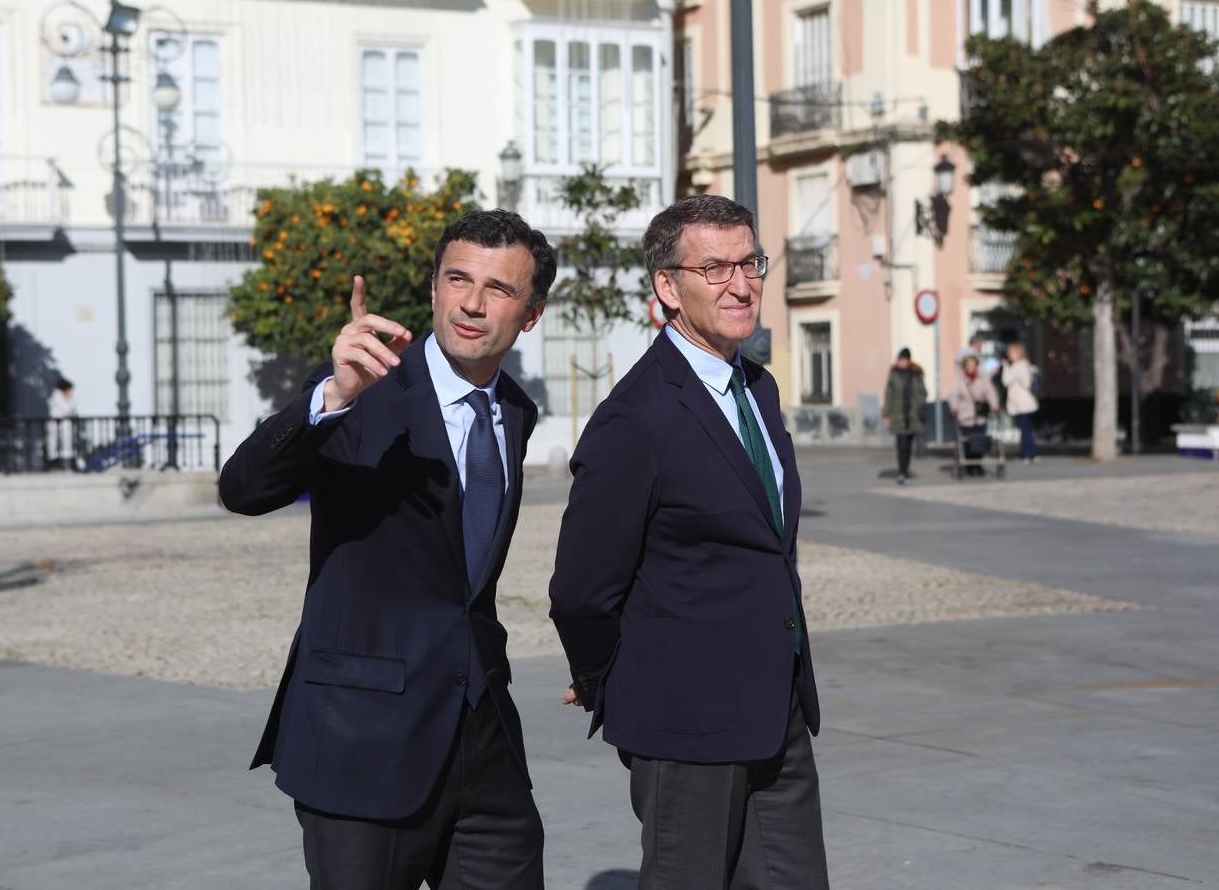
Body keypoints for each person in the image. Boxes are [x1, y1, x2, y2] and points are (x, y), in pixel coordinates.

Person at [219, 209, 555, 889]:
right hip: (360, 741)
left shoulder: (515, 411)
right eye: (456, 279)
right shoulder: (364, 387)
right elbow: (244, 489)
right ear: (433, 287)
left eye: (498, 289)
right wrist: (329, 397)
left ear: (531, 313)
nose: (469, 302)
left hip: (481, 742)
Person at [549, 195, 828, 889]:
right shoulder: (635, 418)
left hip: (777, 709)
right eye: (716, 267)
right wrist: (603, 681)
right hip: (687, 722)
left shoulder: (755, 388)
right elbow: (582, 589)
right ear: (668, 287)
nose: (742, 283)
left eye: (750, 262)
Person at [947, 354, 1001, 475]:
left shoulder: (983, 379)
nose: (971, 368)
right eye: (969, 365)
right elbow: (953, 395)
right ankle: (968, 465)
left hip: (980, 415)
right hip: (965, 416)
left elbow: (990, 392)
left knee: (980, 442)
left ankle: (977, 465)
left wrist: (994, 405)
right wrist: (954, 407)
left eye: (973, 365)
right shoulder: (959, 380)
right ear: (964, 367)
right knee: (966, 443)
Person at [882, 347, 927, 485]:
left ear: (908, 360)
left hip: (912, 415)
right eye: (899, 359)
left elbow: (923, 393)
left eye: (903, 359)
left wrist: (918, 405)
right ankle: (901, 471)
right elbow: (888, 396)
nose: (901, 362)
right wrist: (886, 414)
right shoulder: (893, 375)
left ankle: (905, 469)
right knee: (901, 444)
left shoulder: (915, 375)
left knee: (908, 445)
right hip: (898, 415)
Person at [1001, 342, 1040, 462]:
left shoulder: (1018, 366)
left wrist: (1006, 367)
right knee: (1026, 429)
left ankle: (1027, 454)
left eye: (1011, 352)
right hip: (1025, 402)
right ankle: (1030, 453)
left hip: (1022, 403)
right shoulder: (1026, 365)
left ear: (1018, 353)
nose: (1009, 355)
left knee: (1025, 429)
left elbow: (1006, 381)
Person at [45, 377, 78, 471]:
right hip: (57, 425)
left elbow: (73, 410)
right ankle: (53, 462)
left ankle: (66, 461)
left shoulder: (67, 397)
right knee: (54, 444)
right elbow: (67, 410)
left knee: (66, 443)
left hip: (65, 425)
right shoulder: (57, 396)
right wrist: (70, 399)